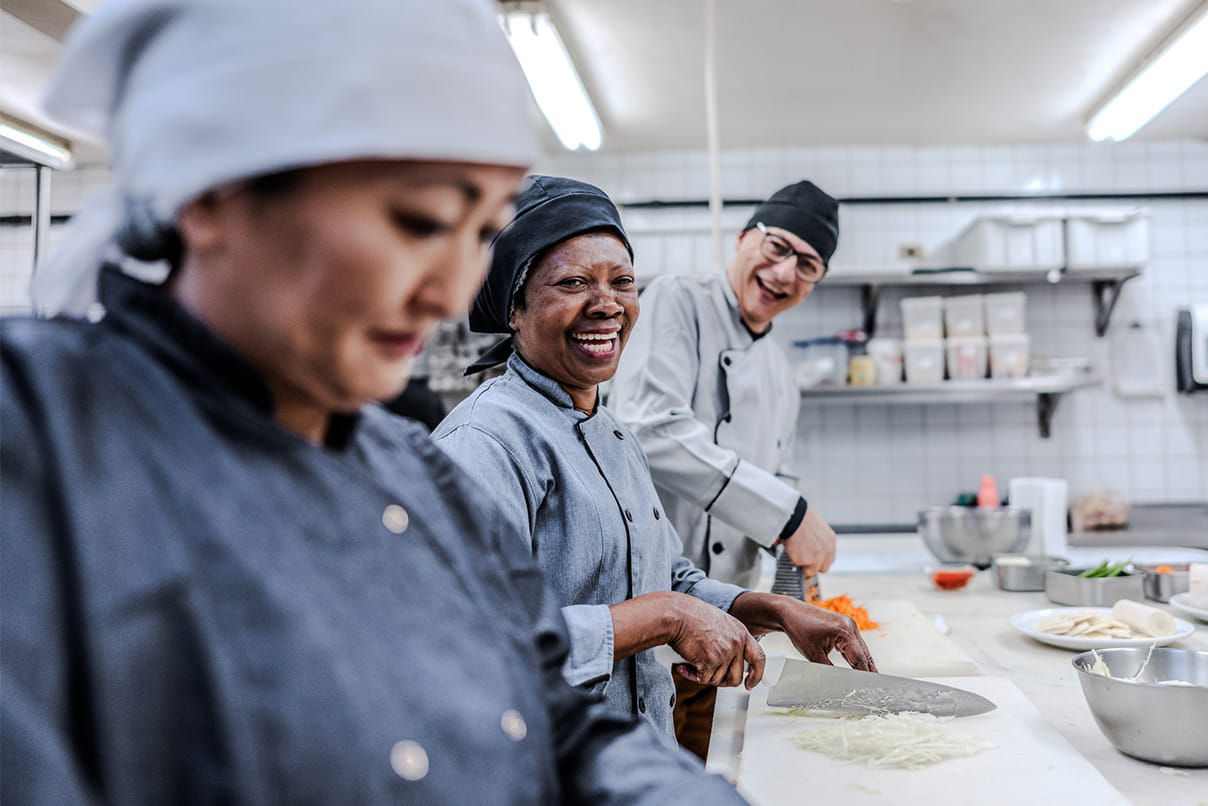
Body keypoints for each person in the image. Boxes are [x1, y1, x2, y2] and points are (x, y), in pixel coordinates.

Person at [0, 2, 748, 802]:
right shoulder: (40, 444)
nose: (450, 294)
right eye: (420, 222)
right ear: (214, 195)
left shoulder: (414, 476)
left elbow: (550, 713)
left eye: (479, 235)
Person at [432, 176, 875, 745]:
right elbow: (469, 640)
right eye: (572, 282)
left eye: (622, 282)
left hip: (638, 752)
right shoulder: (486, 442)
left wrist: (771, 610)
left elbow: (668, 575)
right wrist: (667, 617)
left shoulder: (614, 435)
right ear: (513, 308)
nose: (608, 304)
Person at [608, 180, 845, 756]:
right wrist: (790, 516)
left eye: (808, 265)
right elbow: (649, 428)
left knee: (705, 773)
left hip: (721, 637)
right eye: (778, 247)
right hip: (643, 624)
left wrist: (793, 581)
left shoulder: (781, 373)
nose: (785, 272)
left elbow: (777, 479)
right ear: (742, 239)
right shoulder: (677, 300)